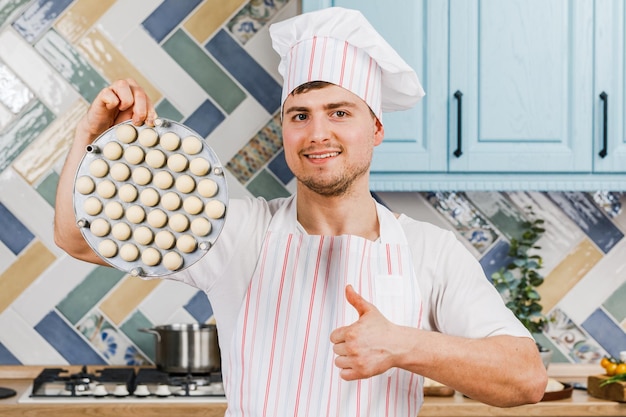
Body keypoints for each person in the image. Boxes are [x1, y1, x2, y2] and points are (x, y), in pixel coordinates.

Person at [54, 6, 547, 416]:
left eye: (339, 112)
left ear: (375, 128)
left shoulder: (429, 251)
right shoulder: (234, 232)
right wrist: (89, 139)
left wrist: (404, 345)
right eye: (299, 116)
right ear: (284, 131)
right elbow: (77, 237)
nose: (317, 134)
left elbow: (525, 379)